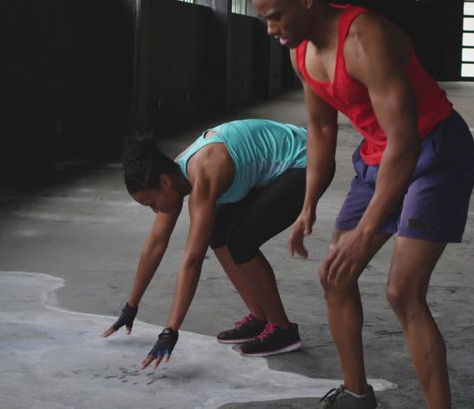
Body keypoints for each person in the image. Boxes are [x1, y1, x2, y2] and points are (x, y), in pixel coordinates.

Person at [249, 0, 474, 409]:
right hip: (378, 157)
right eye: (265, 20)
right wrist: (308, 204)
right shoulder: (302, 55)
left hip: (434, 151)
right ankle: (356, 395)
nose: (270, 29)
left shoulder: (365, 38)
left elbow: (406, 141)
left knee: (403, 292)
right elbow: (321, 128)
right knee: (336, 276)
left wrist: (367, 230)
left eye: (275, 17)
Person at [102, 119, 333, 369]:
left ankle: (282, 329)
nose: (155, 210)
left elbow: (192, 261)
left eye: (152, 203)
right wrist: (131, 306)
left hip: (309, 162)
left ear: (165, 182)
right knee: (218, 231)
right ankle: (260, 317)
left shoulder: (204, 175)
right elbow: (155, 245)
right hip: (275, 170)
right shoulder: (176, 176)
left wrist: (170, 330)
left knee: (242, 241)